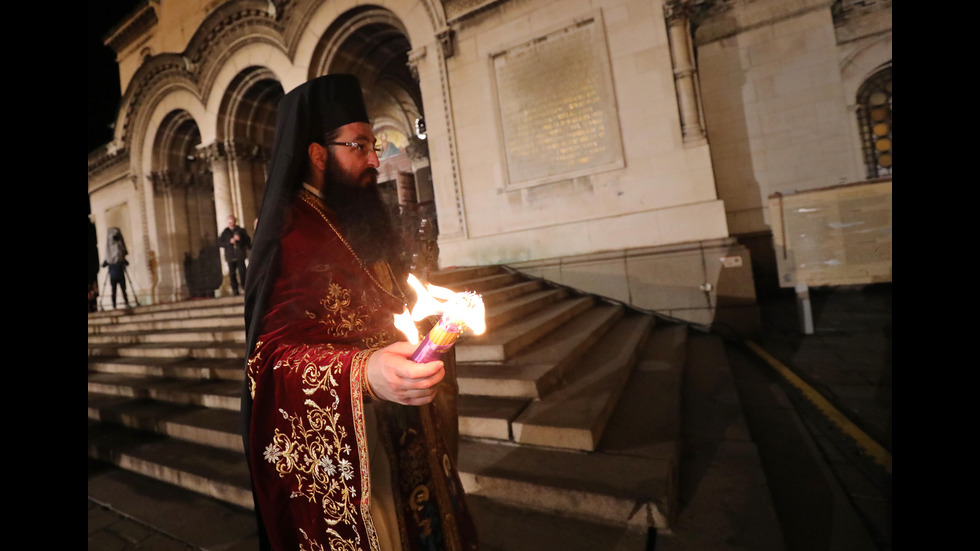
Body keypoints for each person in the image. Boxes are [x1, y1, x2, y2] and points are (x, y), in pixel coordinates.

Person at [241, 74, 477, 551]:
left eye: (375, 145)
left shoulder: (360, 217)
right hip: (356, 455)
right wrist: (363, 372)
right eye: (361, 145)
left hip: (404, 431)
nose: (376, 158)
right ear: (318, 154)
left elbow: (387, 309)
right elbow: (268, 358)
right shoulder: (293, 233)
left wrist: (434, 328)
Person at [218, 215, 251, 295]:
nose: (230, 223)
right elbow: (220, 243)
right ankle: (235, 290)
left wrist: (240, 240)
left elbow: (248, 241)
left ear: (235, 221)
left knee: (243, 272)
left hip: (240, 255)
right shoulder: (225, 232)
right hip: (230, 256)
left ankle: (245, 287)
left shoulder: (241, 230)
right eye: (228, 222)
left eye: (231, 221)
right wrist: (229, 242)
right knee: (232, 274)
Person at [102, 227, 130, 309]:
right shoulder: (112, 251)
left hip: (116, 272)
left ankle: (118, 304)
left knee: (119, 289)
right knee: (117, 290)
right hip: (116, 272)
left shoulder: (117, 248)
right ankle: (116, 304)